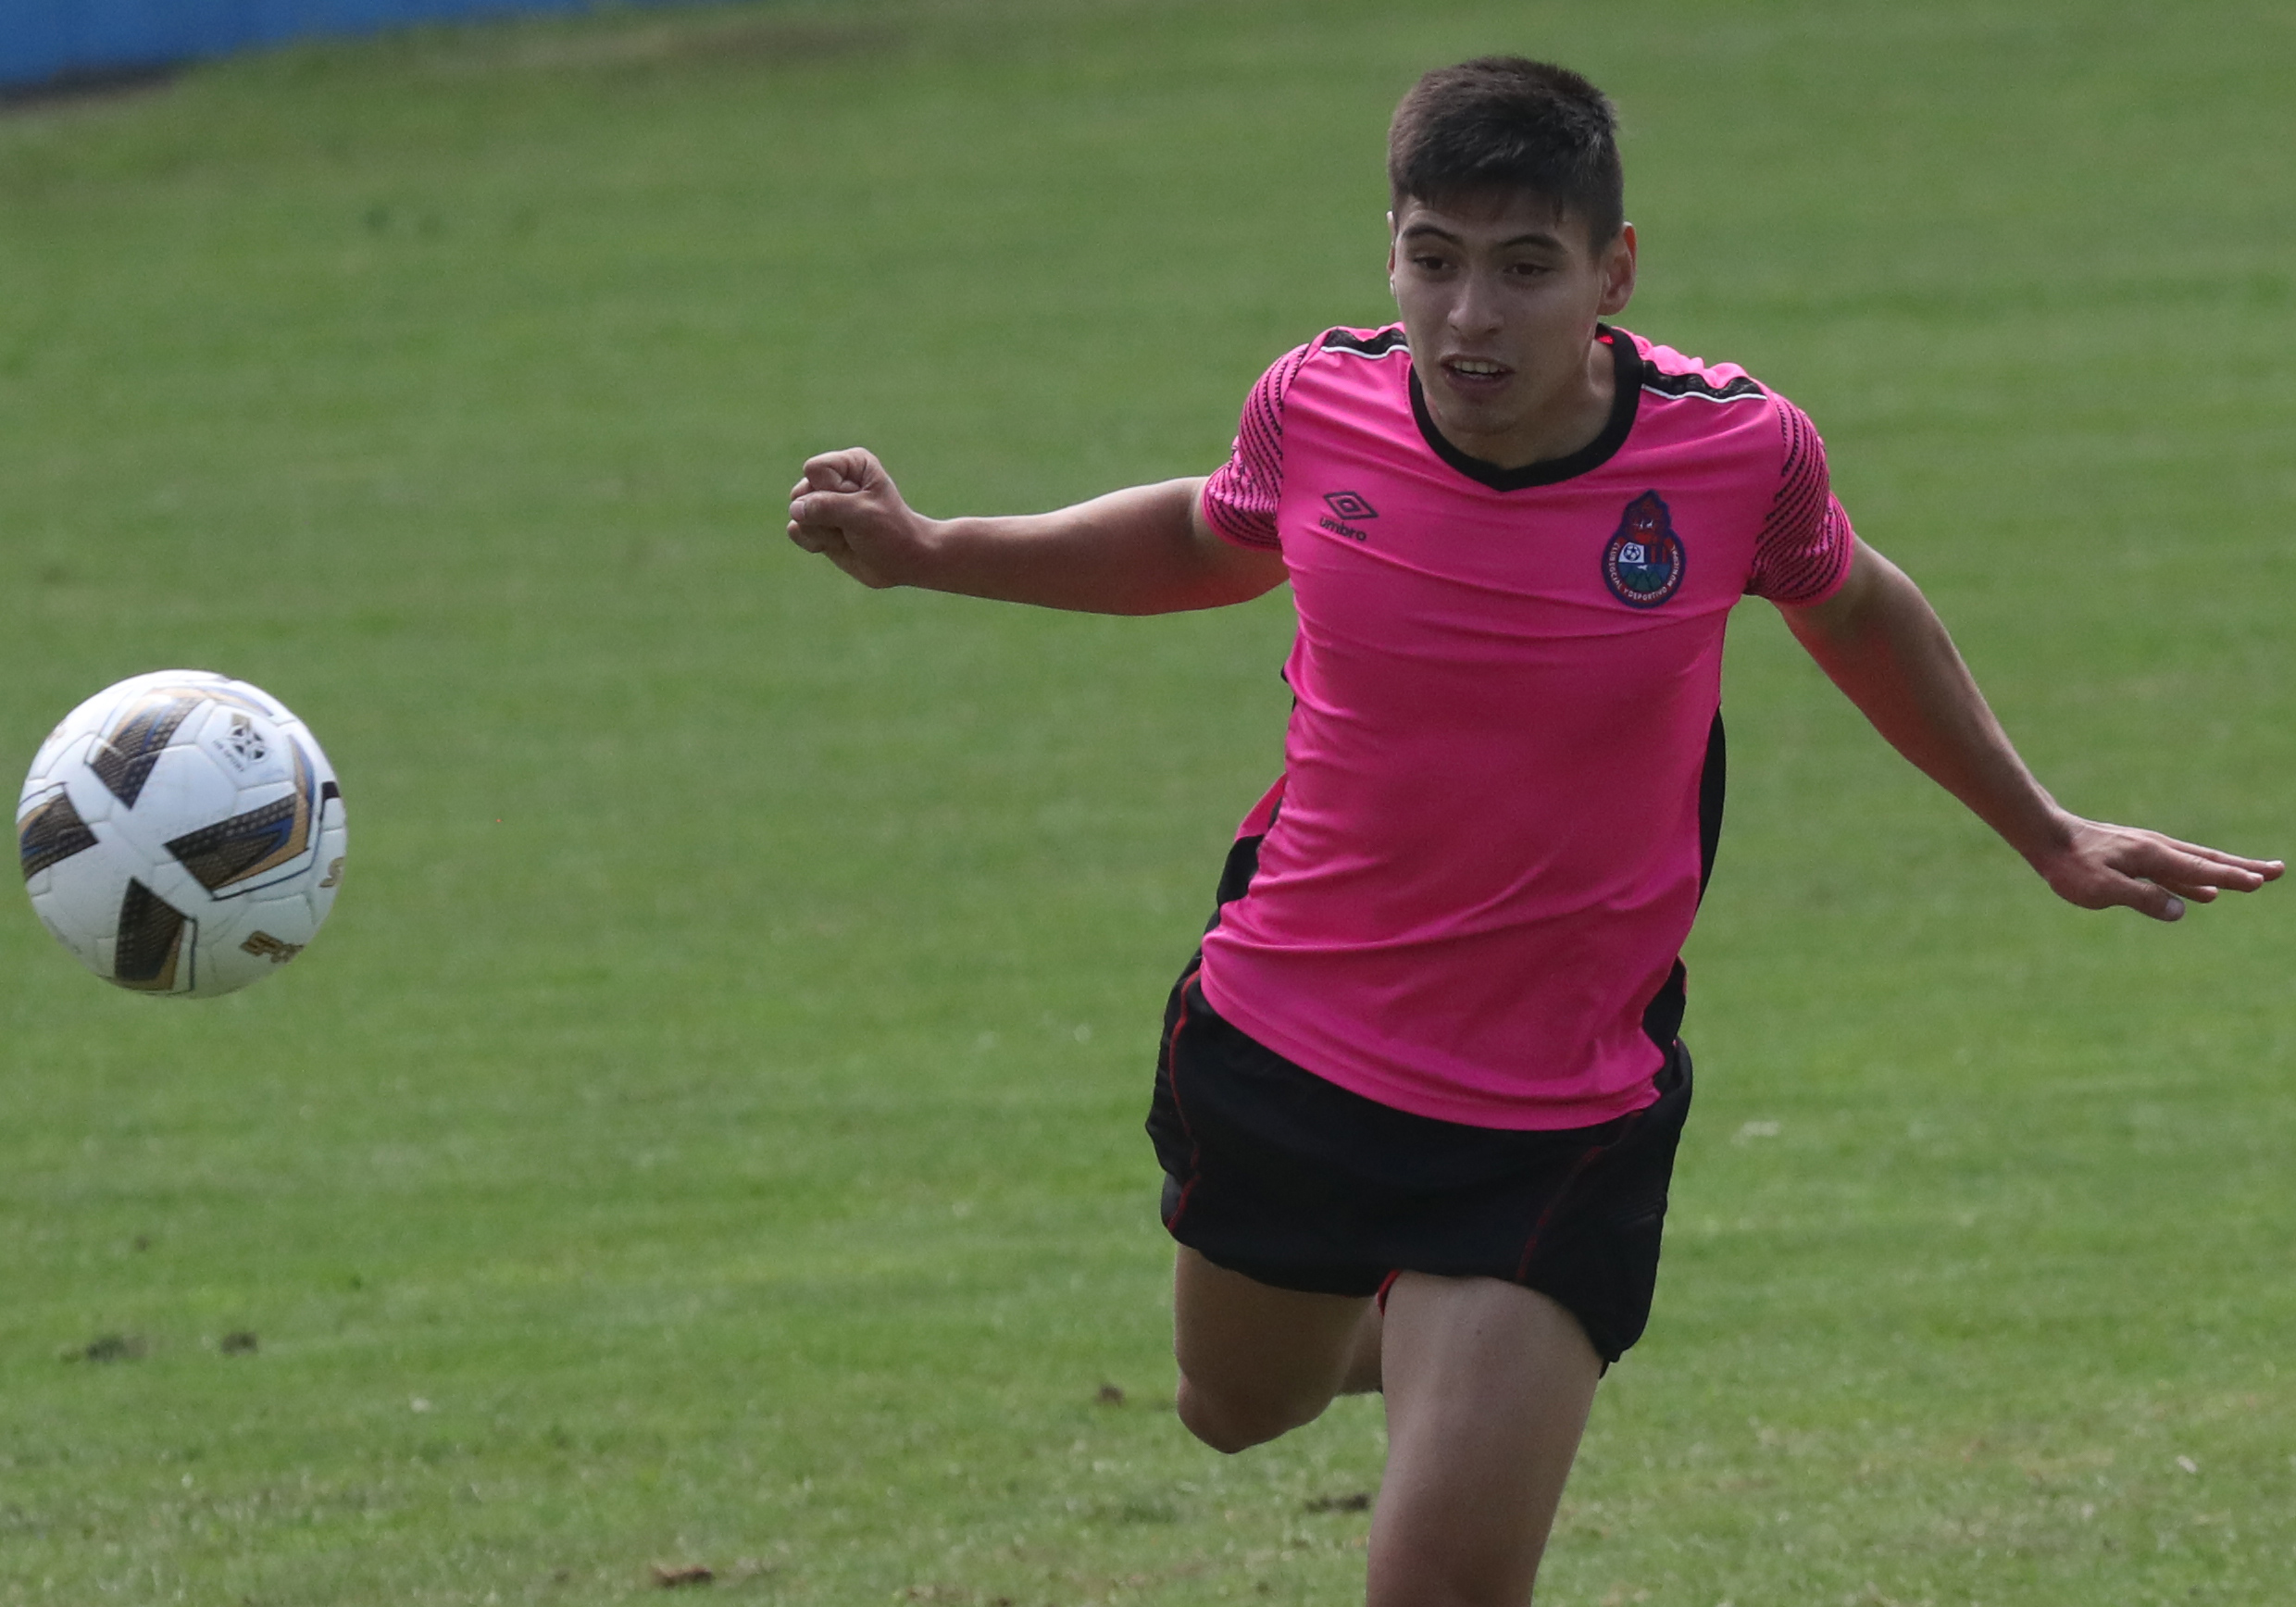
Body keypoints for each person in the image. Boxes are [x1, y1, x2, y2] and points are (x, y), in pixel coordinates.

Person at [783, 56, 2279, 1607]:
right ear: (1391, 249)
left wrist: (2042, 831)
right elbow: (1203, 536)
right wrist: (932, 550)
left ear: (1611, 272)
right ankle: (1420, 1332)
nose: (1469, 317)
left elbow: (1858, 608)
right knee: (1234, 1410)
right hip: (1294, 1042)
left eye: (1523, 269)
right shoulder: (1316, 406)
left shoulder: (1735, 453)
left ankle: (1484, 1333)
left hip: (1563, 1100)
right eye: (1432, 261)